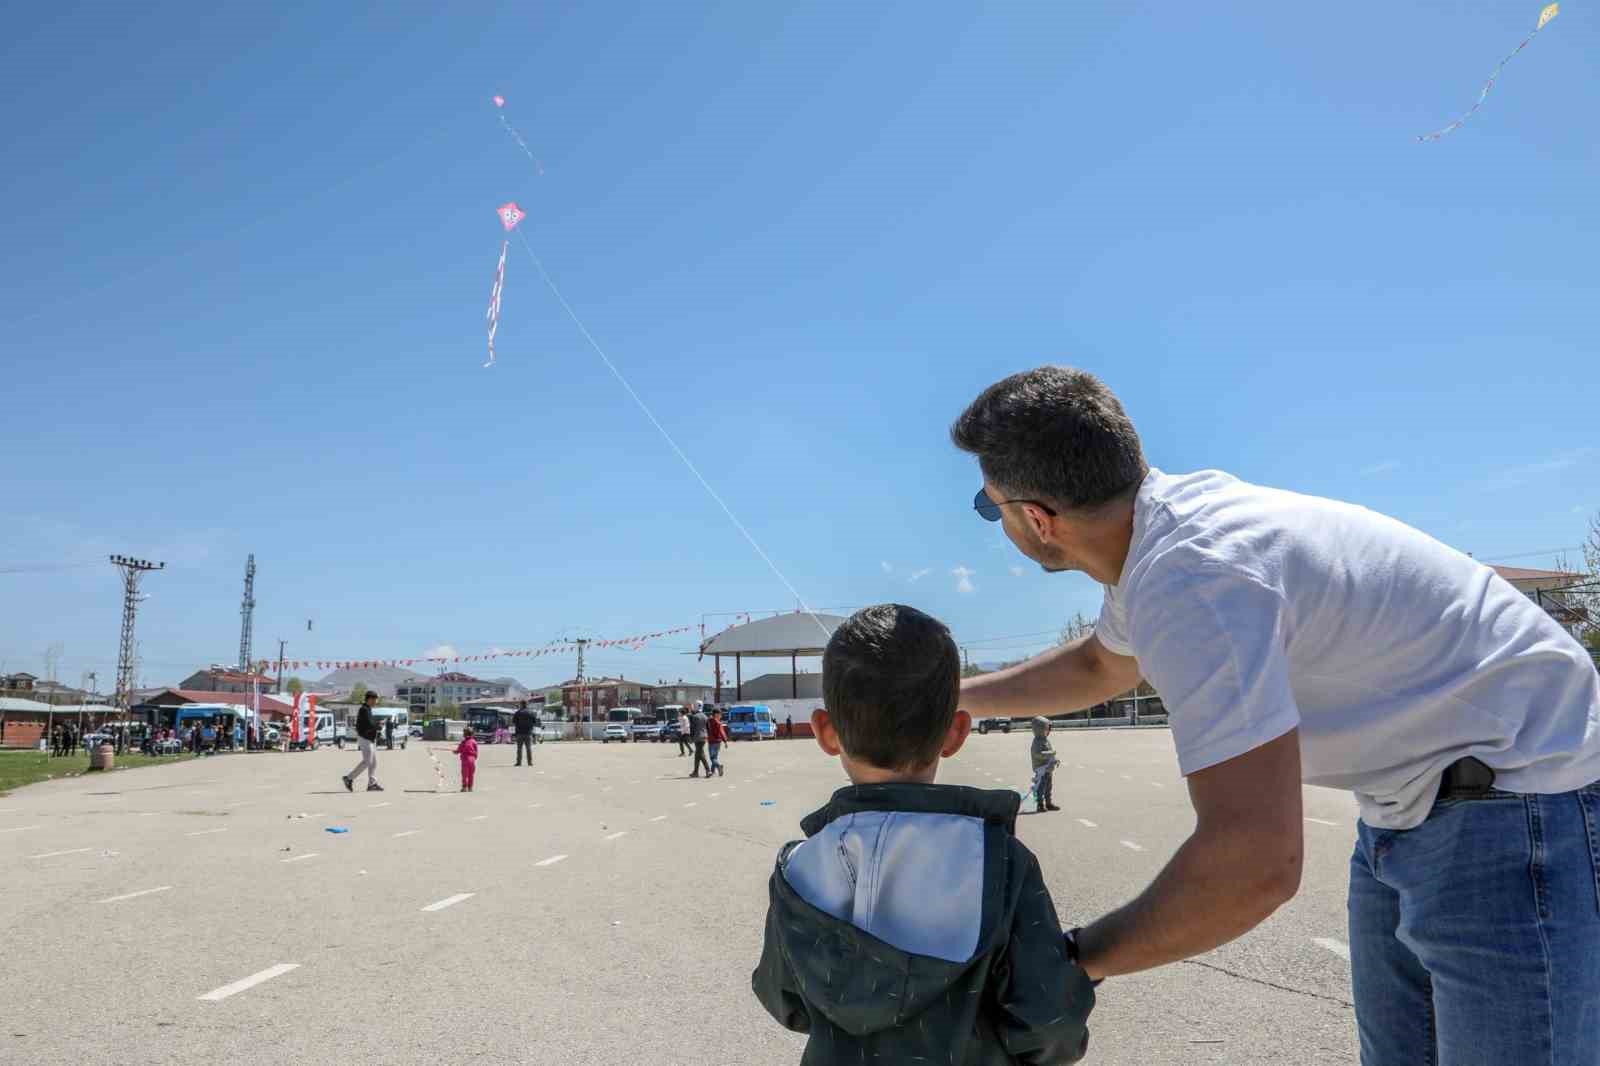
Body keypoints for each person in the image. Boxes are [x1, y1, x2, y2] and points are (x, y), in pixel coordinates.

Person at [951, 366, 1600, 1061]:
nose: (1000, 524)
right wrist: (950, 701)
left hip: (1518, 802)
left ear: (1039, 519)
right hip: (1412, 806)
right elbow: (1099, 665)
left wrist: (1070, 963)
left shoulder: (1192, 575)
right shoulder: (1159, 539)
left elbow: (1253, 862)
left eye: (993, 509)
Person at [752, 604, 1095, 1062]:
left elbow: (784, 999)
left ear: (826, 731)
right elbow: (1049, 1020)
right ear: (955, 733)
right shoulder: (1000, 860)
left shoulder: (798, 867)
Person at [342, 691, 384, 793]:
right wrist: (379, 725)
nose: (376, 701)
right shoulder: (364, 709)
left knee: (373, 762)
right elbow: (369, 724)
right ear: (369, 699)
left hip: (369, 739)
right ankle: (349, 778)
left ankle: (372, 784)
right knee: (367, 762)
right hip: (365, 739)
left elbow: (369, 723)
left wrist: (377, 724)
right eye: (374, 699)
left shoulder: (367, 709)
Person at [1030, 716, 1061, 813]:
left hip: (1048, 769)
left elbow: (1050, 752)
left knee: (1048, 787)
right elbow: (1037, 754)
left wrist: (1055, 759)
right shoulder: (1037, 742)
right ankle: (1040, 804)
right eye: (1046, 729)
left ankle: (1048, 803)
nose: (1048, 731)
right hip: (1041, 769)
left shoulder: (1045, 740)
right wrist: (1051, 753)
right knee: (1041, 787)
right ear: (1039, 729)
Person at [688, 704, 711, 778]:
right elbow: (708, 728)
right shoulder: (705, 716)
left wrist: (691, 738)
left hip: (697, 737)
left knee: (700, 754)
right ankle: (695, 772)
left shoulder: (694, 717)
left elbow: (692, 728)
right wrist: (708, 735)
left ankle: (708, 770)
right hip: (704, 737)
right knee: (697, 754)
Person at [455, 727, 479, 793]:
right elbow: (476, 751)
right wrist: (474, 758)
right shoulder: (474, 741)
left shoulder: (463, 742)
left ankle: (464, 787)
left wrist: (456, 752)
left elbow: (459, 750)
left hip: (465, 759)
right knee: (471, 774)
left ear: (464, 734)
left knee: (464, 774)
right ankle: (470, 787)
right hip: (472, 760)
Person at [705, 707, 727, 778]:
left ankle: (718, 767)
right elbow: (722, 732)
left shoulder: (708, 721)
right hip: (717, 742)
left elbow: (706, 729)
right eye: (720, 714)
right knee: (714, 757)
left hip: (711, 742)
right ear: (716, 714)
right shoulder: (718, 722)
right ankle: (713, 771)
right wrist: (725, 741)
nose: (721, 716)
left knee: (712, 758)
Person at [513, 701, 535, 766]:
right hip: (528, 733)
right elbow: (534, 722)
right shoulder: (531, 712)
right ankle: (530, 762)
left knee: (519, 749)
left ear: (521, 705)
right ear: (526, 705)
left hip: (519, 733)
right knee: (528, 748)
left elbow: (514, 722)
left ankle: (519, 762)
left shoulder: (518, 713)